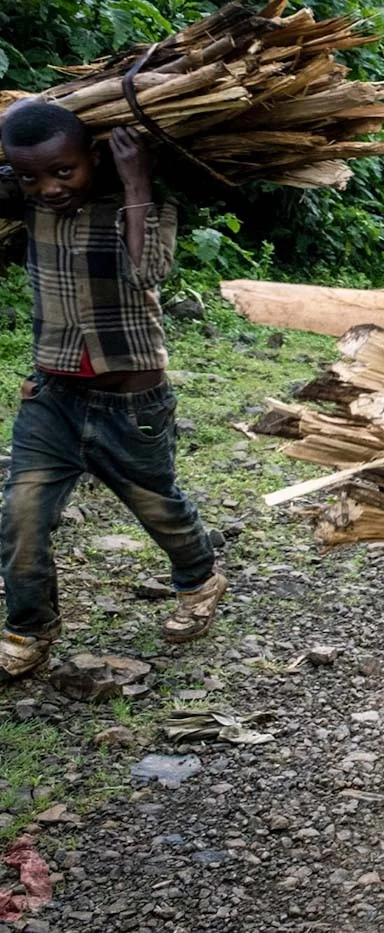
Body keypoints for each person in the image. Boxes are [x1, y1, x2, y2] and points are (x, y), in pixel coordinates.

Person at [0, 101, 227, 683]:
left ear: (93, 157)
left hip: (132, 403)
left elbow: (149, 270)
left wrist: (135, 180)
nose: (48, 188)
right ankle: (29, 630)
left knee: (157, 506)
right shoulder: (29, 209)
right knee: (22, 515)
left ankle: (200, 578)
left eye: (62, 172)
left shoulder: (141, 203)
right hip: (51, 396)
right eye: (32, 177)